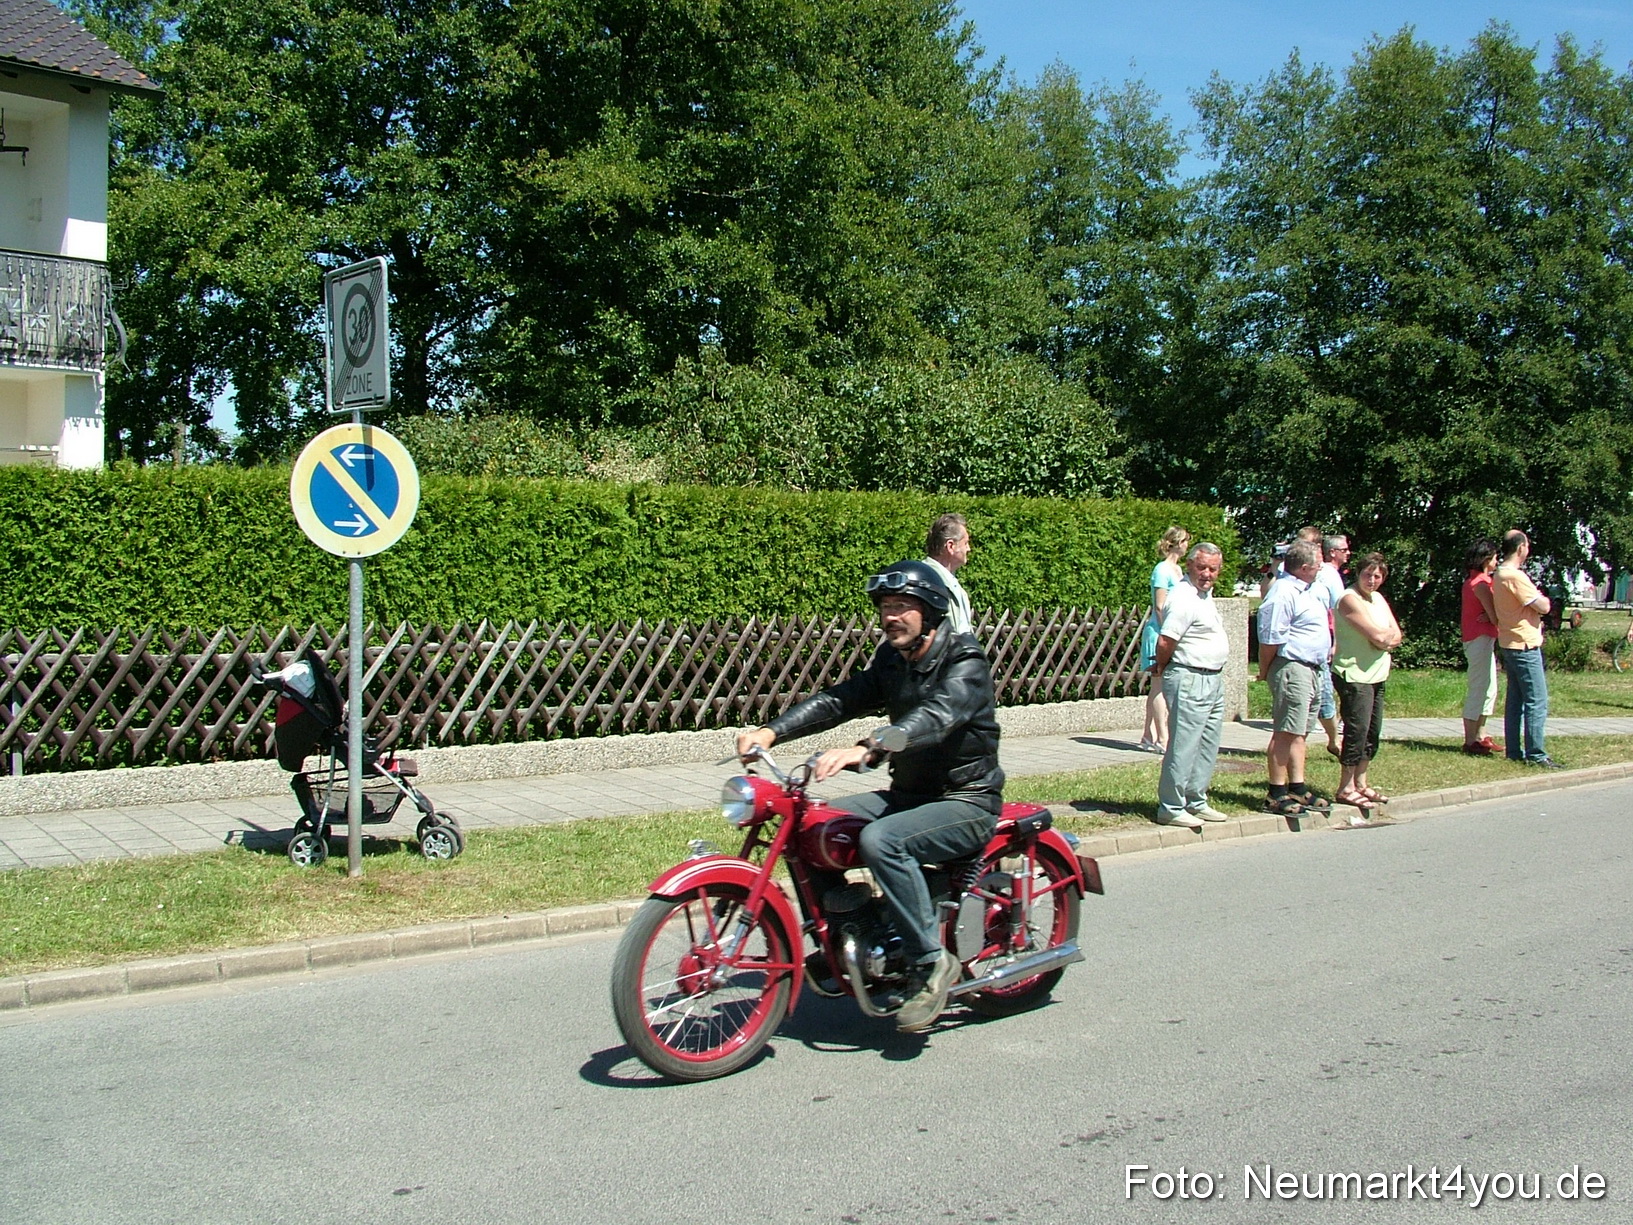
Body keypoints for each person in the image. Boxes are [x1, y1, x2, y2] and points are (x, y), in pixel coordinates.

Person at [735, 559, 1000, 1032]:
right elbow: (843, 698)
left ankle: (930, 963)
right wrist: (771, 732)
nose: (890, 616)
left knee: (882, 841)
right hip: (911, 794)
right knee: (812, 824)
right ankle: (848, 930)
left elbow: (934, 719)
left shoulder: (965, 660)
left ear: (931, 612)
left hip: (966, 800)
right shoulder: (892, 659)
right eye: (885, 607)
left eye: (902, 607)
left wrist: (868, 748)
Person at [1150, 543, 1230, 828]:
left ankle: (1195, 800)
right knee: (1184, 744)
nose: (1207, 574)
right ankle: (1171, 806)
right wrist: (1161, 666)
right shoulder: (1184, 597)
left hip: (1212, 677)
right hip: (1190, 676)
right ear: (1190, 566)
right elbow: (1166, 640)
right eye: (1202, 567)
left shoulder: (1204, 596)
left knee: (1207, 743)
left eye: (1213, 569)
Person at [1256, 540, 1334, 816]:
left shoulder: (1310, 590)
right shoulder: (1283, 592)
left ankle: (1297, 787)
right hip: (1292, 666)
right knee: (1286, 730)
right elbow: (1270, 638)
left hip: (1313, 668)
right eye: (1317, 563)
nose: (1320, 567)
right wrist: (1265, 671)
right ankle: (1275, 792)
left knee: (1300, 731)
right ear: (1303, 568)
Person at [1332, 553, 1404, 825]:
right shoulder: (1349, 598)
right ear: (1357, 573)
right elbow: (1376, 635)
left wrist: (1385, 639)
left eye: (1377, 576)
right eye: (1367, 574)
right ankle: (1345, 787)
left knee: (1373, 730)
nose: (1371, 580)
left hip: (1377, 673)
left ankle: (1362, 782)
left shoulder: (1378, 599)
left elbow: (1395, 634)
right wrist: (1383, 639)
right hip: (1353, 673)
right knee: (1357, 729)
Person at [1492, 530, 1560, 768]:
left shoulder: (1499, 574)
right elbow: (1542, 605)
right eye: (1527, 546)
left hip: (1509, 641)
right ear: (1521, 548)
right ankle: (1536, 753)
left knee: (1516, 700)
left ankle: (1513, 750)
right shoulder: (1515, 577)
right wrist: (1543, 600)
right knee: (1536, 700)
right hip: (1524, 644)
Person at [1138, 526, 1191, 753]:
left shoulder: (1178, 570)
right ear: (1177, 543)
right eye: (1186, 541)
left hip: (1170, 632)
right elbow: (1160, 604)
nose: (1187, 545)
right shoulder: (1162, 570)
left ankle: (1148, 734)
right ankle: (1162, 738)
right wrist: (1168, 631)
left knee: (1157, 686)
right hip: (1159, 633)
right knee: (1159, 685)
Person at [1310, 534, 1350, 760]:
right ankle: (1335, 739)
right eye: (1344, 549)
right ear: (1332, 552)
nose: (1348, 553)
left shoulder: (1329, 575)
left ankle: (1335, 737)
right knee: (1325, 690)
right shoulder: (1328, 575)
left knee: (1326, 689)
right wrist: (1336, 641)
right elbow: (1338, 610)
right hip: (1325, 641)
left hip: (1327, 640)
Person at [1460, 539, 1500, 755]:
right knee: (1479, 687)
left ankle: (1480, 734)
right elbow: (1495, 616)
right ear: (1486, 559)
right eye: (1494, 558)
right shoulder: (1481, 584)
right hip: (1479, 638)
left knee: (1489, 688)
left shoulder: (1474, 581)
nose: (1496, 562)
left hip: (1483, 638)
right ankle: (1470, 739)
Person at [922, 513, 974, 636]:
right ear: (951, 546)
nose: (969, 549)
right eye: (965, 543)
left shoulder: (951, 582)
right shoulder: (926, 581)